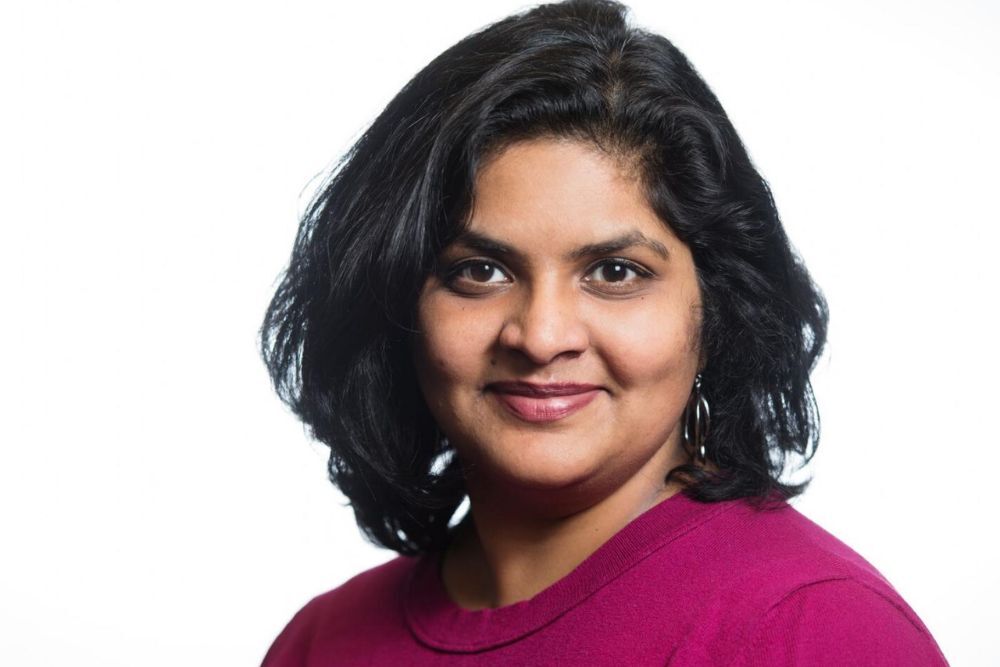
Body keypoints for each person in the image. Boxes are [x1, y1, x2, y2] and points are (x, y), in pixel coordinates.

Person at [258, 1, 948, 664]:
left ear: (717, 309)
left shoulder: (817, 631)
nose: (541, 336)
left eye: (615, 272)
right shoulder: (322, 643)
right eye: (481, 271)